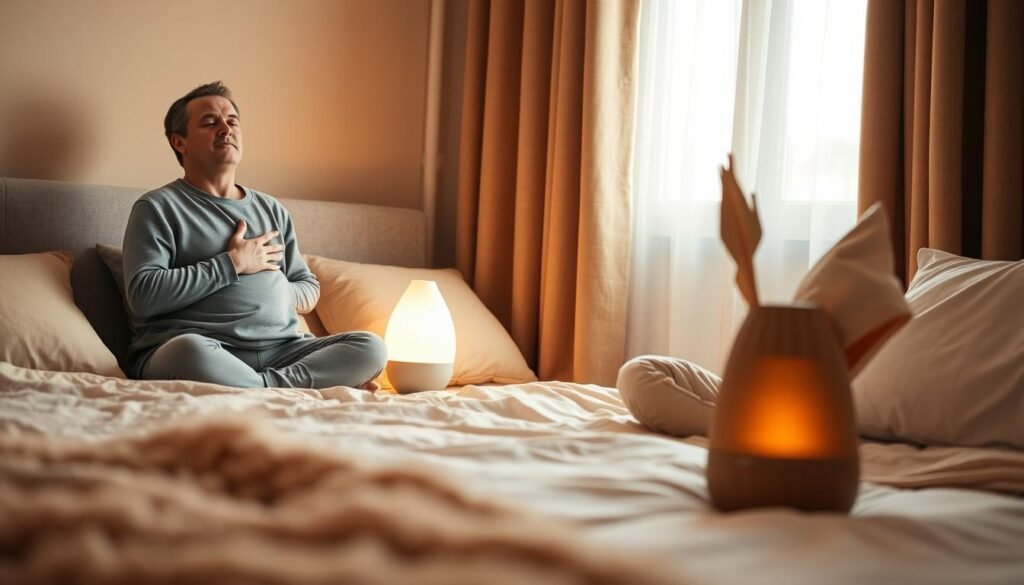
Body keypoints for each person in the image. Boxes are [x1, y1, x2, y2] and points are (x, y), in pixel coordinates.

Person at [122, 81, 386, 389]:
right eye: (210, 122)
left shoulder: (271, 208)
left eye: (232, 121)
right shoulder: (158, 207)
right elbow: (143, 296)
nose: (225, 129)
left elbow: (308, 287)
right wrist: (233, 264)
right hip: (208, 350)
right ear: (179, 142)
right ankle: (290, 387)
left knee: (371, 347)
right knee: (186, 351)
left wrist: (272, 287)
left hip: (283, 351)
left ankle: (260, 387)